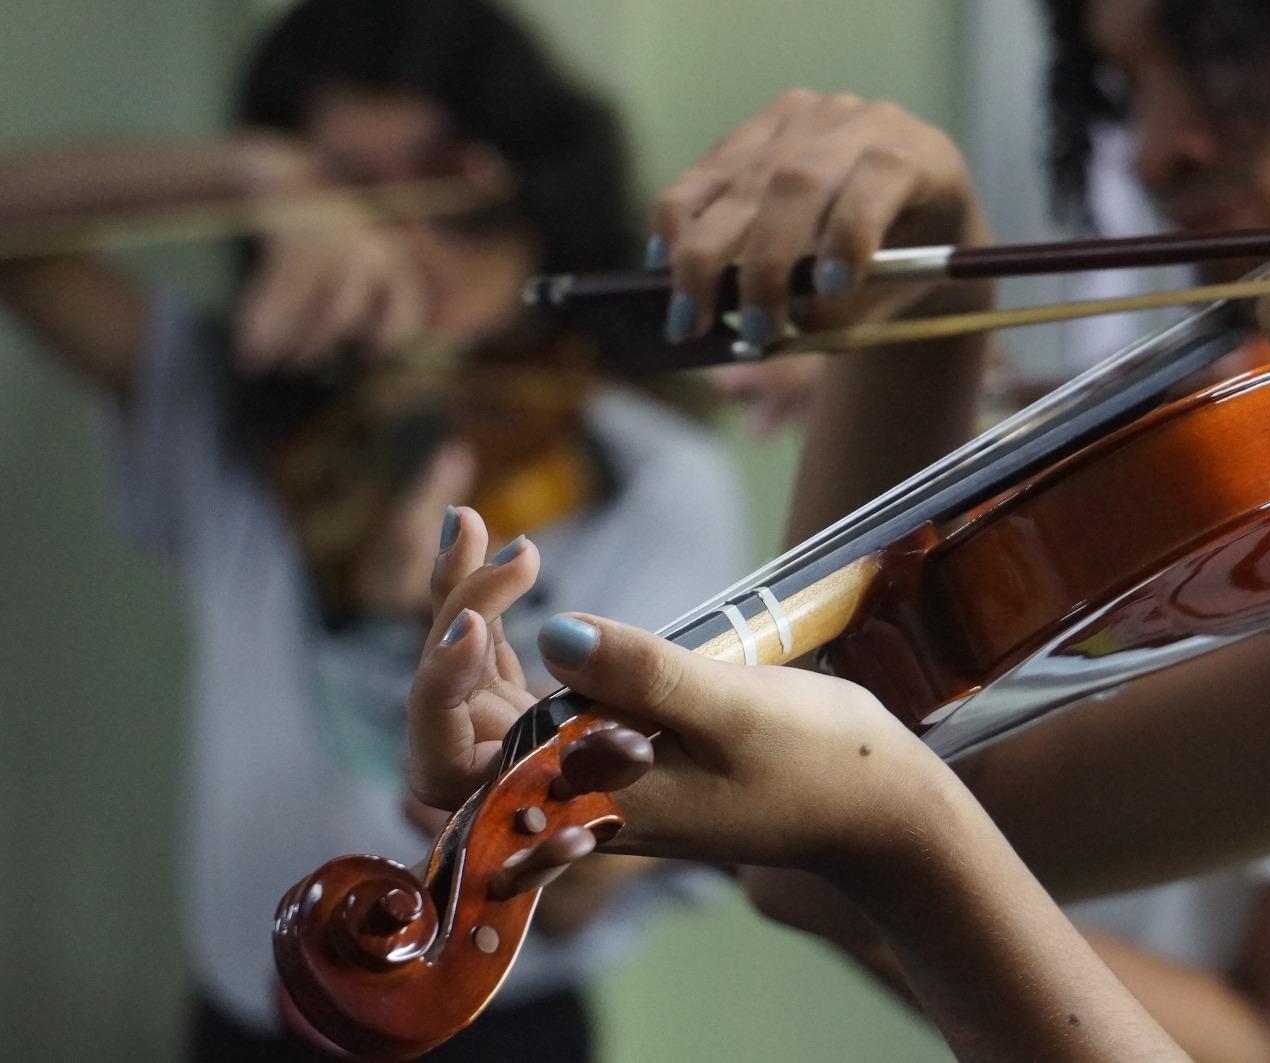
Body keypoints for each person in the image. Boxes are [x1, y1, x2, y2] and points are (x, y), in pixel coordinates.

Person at [404, 0, 1270, 1059]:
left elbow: (909, 808)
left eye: (1225, 47)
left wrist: (907, 838)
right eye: (1130, 87)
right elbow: (863, 811)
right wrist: (926, 290)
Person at [0, 1, 741, 1059]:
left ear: (529, 189)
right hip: (243, 1020)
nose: (402, 245)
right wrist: (248, 176)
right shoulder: (236, 404)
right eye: (349, 196)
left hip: (492, 1031)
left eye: (444, 193)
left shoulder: (648, 473)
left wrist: (410, 648)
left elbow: (581, 893)